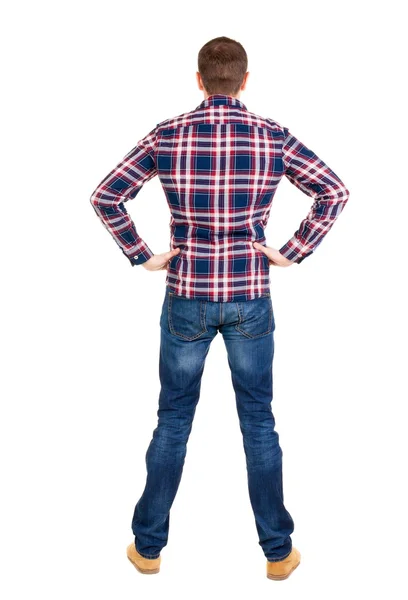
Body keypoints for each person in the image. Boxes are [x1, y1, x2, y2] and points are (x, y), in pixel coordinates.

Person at [90, 35, 349, 580]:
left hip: (186, 295)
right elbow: (334, 191)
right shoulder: (272, 135)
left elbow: (105, 195)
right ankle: (278, 554)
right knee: (259, 422)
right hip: (250, 296)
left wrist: (143, 256)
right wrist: (291, 253)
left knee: (172, 421)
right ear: (245, 81)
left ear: (200, 79)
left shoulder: (168, 133)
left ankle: (148, 549)